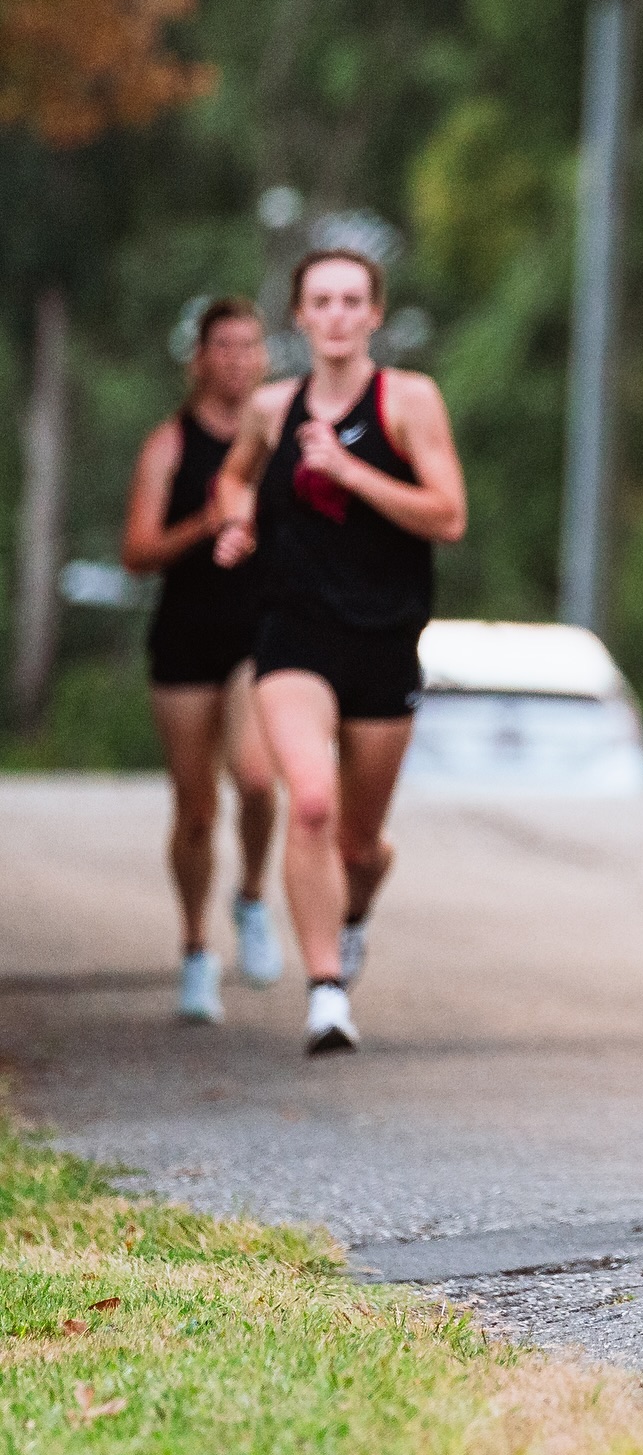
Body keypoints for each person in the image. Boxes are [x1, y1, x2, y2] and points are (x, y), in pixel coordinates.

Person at [214, 249, 466, 1055]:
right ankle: (326, 993)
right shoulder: (270, 408)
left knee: (360, 844)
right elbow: (234, 478)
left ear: (374, 315)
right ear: (299, 316)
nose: (336, 315)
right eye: (320, 300)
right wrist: (236, 521)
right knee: (310, 803)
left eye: (352, 300)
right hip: (293, 632)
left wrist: (351, 473)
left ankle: (350, 915)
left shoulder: (408, 401)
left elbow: (448, 516)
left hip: (385, 635)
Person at [122, 297, 282, 1024]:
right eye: (224, 346)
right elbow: (137, 553)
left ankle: (250, 897)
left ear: (265, 357)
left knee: (255, 779)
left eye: (249, 346)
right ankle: (194, 951)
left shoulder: (281, 437)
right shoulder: (170, 445)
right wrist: (204, 525)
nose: (238, 359)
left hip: (259, 633)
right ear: (199, 359)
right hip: (186, 636)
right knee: (194, 810)